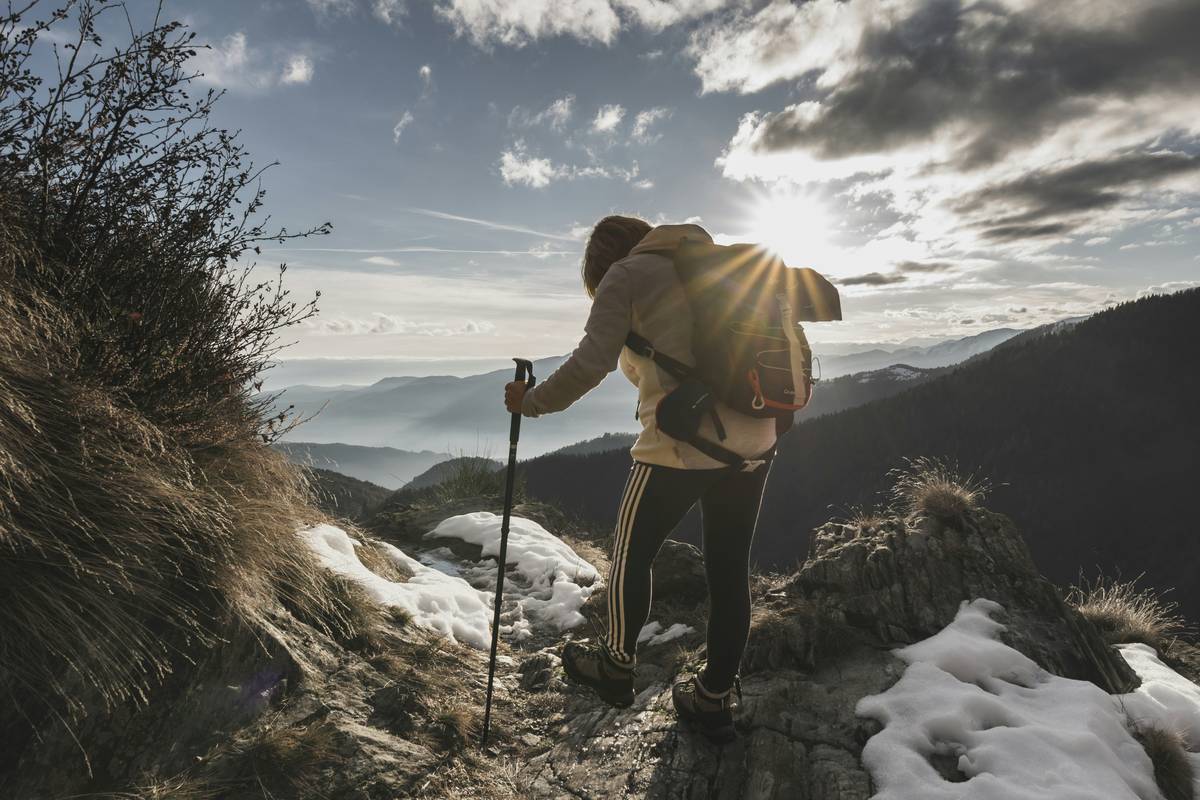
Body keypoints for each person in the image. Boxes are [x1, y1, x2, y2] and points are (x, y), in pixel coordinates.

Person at [503, 215, 778, 743]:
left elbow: (590, 363)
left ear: (603, 264)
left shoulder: (627, 275)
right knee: (728, 570)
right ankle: (714, 699)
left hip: (679, 442)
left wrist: (531, 402)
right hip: (756, 438)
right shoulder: (721, 266)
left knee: (631, 551)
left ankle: (616, 664)